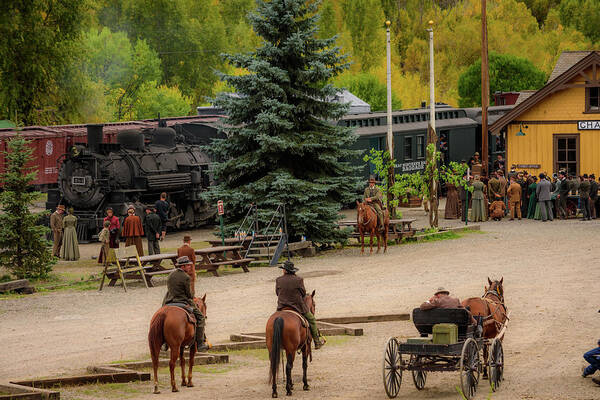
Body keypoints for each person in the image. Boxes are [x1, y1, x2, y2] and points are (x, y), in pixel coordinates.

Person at [275, 260, 325, 349]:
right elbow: (303, 294)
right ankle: (317, 342)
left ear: (285, 270)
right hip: (297, 307)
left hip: (282, 307)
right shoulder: (299, 279)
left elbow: (277, 293)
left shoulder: (278, 280)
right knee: (312, 320)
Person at [162, 256, 208, 351]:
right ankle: (200, 343)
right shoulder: (186, 277)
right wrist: (192, 295)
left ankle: (164, 343)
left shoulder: (170, 275)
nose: (190, 267)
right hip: (182, 301)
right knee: (200, 317)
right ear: (182, 267)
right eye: (187, 265)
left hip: (169, 301)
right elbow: (189, 294)